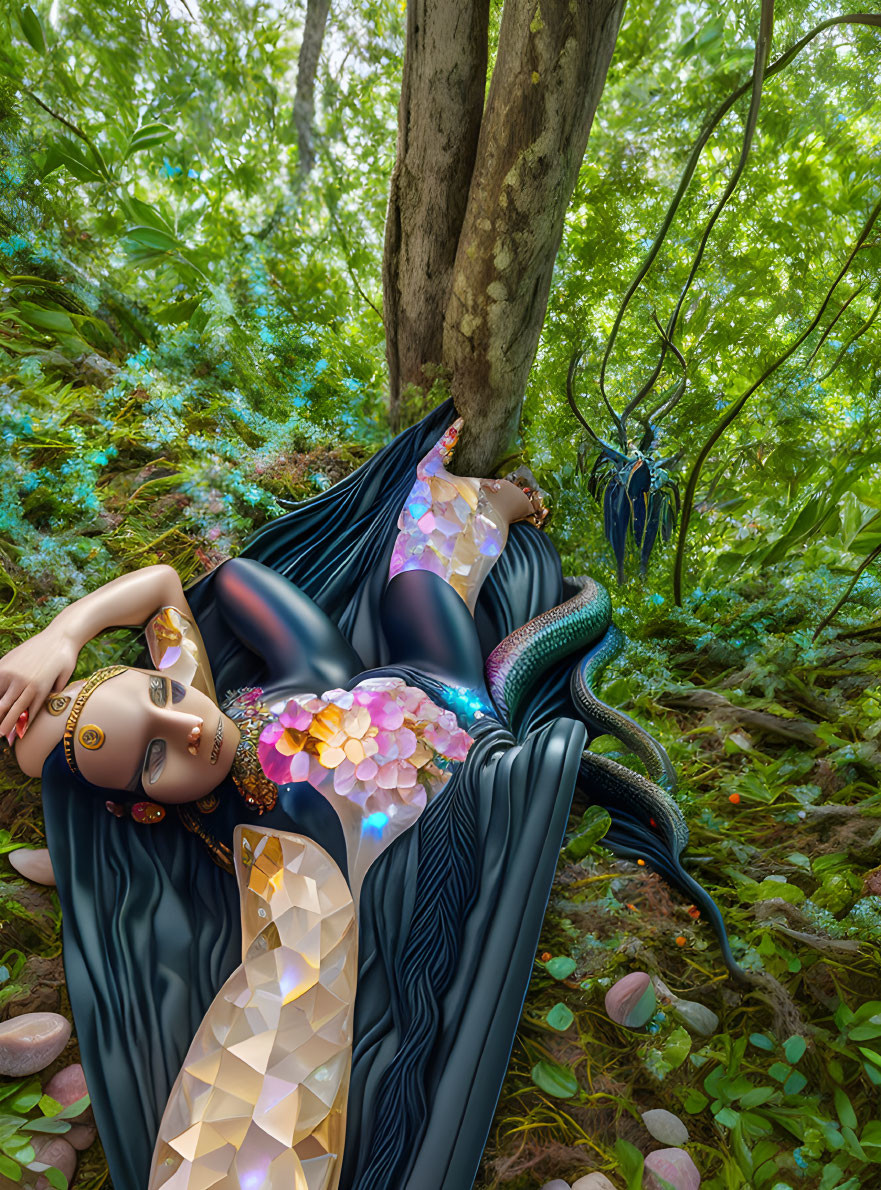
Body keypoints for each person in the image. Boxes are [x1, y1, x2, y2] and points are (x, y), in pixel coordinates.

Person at [0, 403, 729, 1190]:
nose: (185, 728)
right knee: (417, 586)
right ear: (144, 807)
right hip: (451, 724)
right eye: (152, 759)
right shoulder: (275, 857)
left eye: (160, 694)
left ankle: (487, 504)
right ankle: (480, 508)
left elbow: (166, 588)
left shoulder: (198, 700)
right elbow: (283, 1014)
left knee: (368, 587)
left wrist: (62, 637)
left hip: (363, 684)